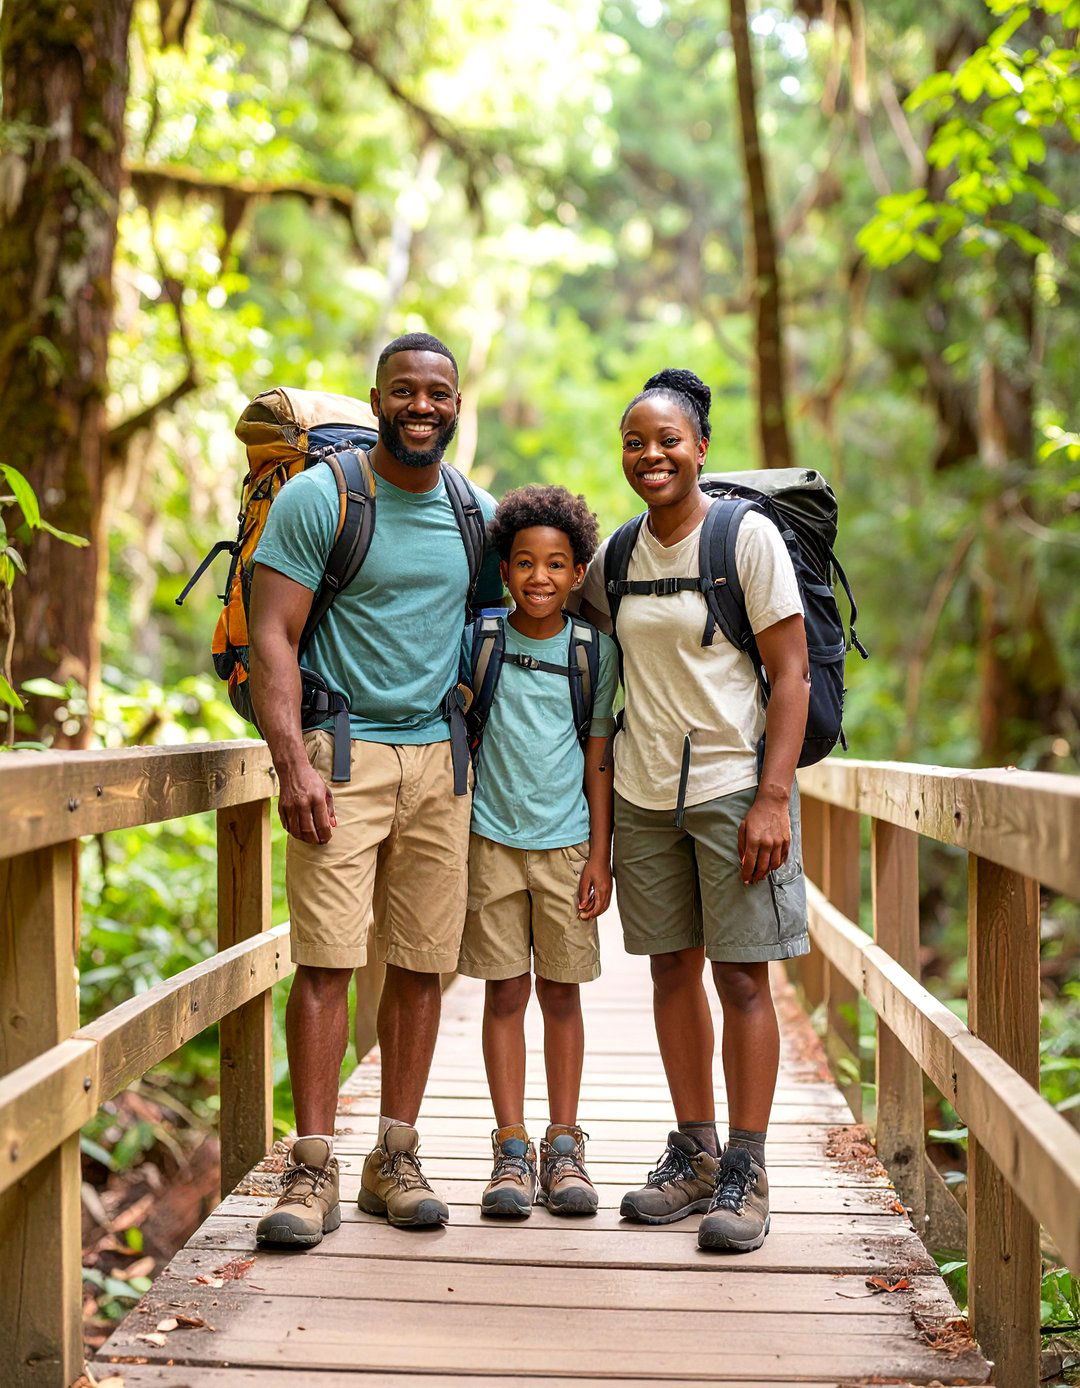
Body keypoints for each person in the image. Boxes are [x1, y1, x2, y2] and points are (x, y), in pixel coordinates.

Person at [248, 332, 501, 1245]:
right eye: (405, 390)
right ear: (377, 398)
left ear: (457, 404)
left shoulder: (477, 512)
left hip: (441, 760)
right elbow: (272, 633)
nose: (422, 406)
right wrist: (292, 762)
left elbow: (527, 612)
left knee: (424, 961)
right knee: (325, 960)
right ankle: (311, 1168)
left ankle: (395, 1157)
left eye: (438, 392)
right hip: (341, 755)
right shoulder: (324, 498)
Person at [578, 367, 810, 1253]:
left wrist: (774, 796)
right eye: (636, 442)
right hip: (642, 798)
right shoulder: (619, 556)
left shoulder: (743, 538)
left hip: (732, 790)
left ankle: (748, 1170)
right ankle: (697, 1154)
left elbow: (788, 673)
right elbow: (579, 647)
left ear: (702, 447)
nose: (651, 455)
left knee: (742, 976)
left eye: (668, 439)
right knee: (670, 973)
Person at [459, 485, 617, 1218]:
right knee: (503, 993)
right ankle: (511, 1149)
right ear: (505, 567)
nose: (540, 578)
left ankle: (564, 1147)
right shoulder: (482, 639)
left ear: (579, 571)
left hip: (566, 848)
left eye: (556, 564)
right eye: (524, 563)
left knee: (561, 994)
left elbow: (598, 758)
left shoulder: (593, 652)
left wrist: (600, 855)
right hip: (490, 843)